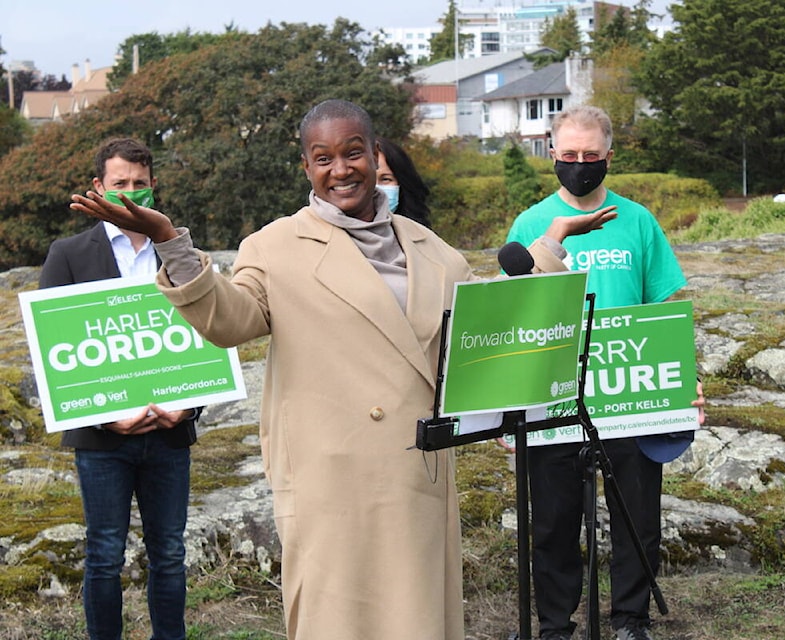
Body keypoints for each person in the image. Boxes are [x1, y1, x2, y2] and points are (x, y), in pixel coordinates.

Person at [67, 99, 616, 640]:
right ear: (306, 166)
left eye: (352, 153)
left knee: (414, 621)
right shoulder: (275, 246)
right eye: (322, 157)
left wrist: (549, 246)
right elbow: (227, 321)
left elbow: (488, 327)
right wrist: (170, 242)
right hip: (328, 484)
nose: (340, 169)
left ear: (374, 154)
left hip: (416, 478)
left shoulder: (433, 251)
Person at [506, 105, 706, 640]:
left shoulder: (638, 221)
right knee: (551, 521)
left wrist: (683, 380)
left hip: (630, 391)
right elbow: (515, 319)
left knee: (636, 516)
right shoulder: (531, 225)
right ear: (552, 155)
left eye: (590, 156)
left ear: (609, 156)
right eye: (568, 156)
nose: (579, 164)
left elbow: (665, 308)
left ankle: (630, 620)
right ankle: (553, 625)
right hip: (555, 393)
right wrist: (511, 407)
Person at [39, 137, 202, 640]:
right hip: (103, 440)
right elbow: (55, 352)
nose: (131, 192)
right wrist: (105, 418)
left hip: (169, 435)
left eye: (140, 184)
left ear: (153, 186)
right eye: (119, 184)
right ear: (98, 188)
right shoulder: (67, 255)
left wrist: (188, 409)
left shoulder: (179, 250)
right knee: (104, 553)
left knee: (170, 553)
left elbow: (206, 332)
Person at [375, 136, 432, 228]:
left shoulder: (425, 237)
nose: (376, 189)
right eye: (369, 180)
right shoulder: (344, 239)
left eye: (386, 179)